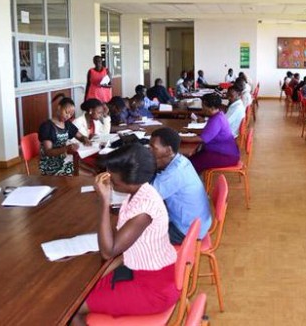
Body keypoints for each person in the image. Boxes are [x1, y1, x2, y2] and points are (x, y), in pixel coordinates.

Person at [72, 145, 180, 325]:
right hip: (141, 271)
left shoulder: (144, 209)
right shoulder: (140, 191)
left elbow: (109, 251)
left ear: (130, 181)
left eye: (114, 181)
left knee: (74, 309)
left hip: (153, 288)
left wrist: (104, 201)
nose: (111, 184)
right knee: (79, 289)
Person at [150, 128, 212, 245]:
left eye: (153, 148)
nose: (149, 150)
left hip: (186, 231)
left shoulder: (174, 173)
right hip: (198, 223)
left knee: (136, 237)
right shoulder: (180, 160)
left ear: (168, 150)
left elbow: (147, 198)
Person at [183, 93, 240, 173]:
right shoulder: (218, 115)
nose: (202, 109)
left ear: (212, 108)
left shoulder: (216, 120)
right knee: (190, 160)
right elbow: (208, 131)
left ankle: (191, 182)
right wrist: (191, 130)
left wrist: (180, 138)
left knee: (188, 164)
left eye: (204, 106)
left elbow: (202, 139)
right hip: (223, 152)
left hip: (225, 155)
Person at [38, 94, 91, 176]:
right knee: (89, 175)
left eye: (71, 114)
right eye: (66, 112)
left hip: (64, 160)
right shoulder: (47, 126)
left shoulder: (67, 124)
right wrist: (66, 148)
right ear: (59, 108)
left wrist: (85, 139)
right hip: (51, 166)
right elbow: (48, 152)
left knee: (93, 171)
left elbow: (79, 136)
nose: (68, 116)